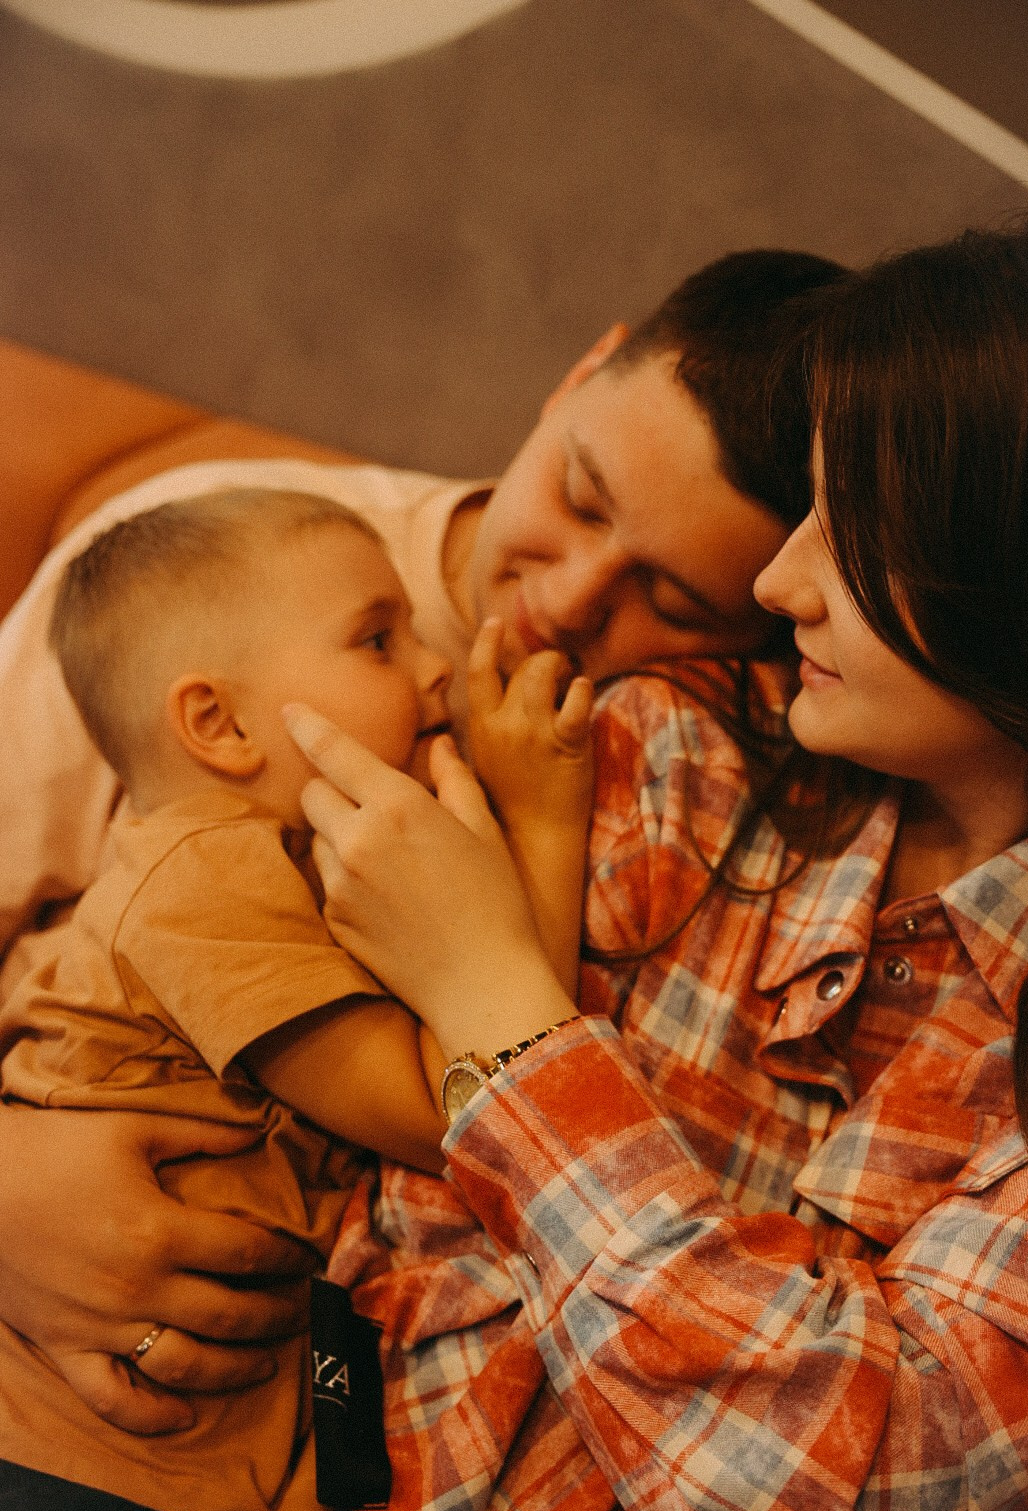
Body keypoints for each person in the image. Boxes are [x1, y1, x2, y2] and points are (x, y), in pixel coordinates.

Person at [278, 214, 1028, 1511]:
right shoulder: (676, 752)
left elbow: (837, 1495)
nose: (780, 589)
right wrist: (318, 1475)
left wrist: (500, 1007)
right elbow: (396, 1207)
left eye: (861, 533)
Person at [0, 246, 847, 1435]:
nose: (566, 601)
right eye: (582, 494)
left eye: (674, 600)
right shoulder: (216, 579)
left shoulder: (685, 763)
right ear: (580, 372)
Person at [0, 485, 592, 1511]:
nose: (431, 670)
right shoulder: (204, 880)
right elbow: (467, 1109)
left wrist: (328, 1494)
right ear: (217, 725)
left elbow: (395, 1211)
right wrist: (547, 827)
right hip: (76, 1470)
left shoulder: (294, 869)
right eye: (379, 639)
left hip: (202, 1474)